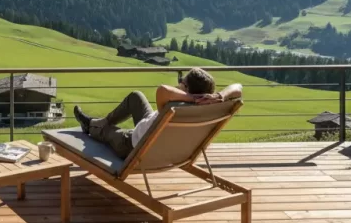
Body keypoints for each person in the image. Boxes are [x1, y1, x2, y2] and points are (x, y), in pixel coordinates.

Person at [73, 68, 242, 159]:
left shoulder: (178, 105)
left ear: (187, 88)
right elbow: (238, 88)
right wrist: (220, 96)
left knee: (107, 132)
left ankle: (91, 126)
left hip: (133, 146)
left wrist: (190, 97)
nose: (179, 83)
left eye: (182, 82)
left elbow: (162, 90)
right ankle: (103, 121)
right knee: (136, 97)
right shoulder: (207, 107)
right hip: (151, 128)